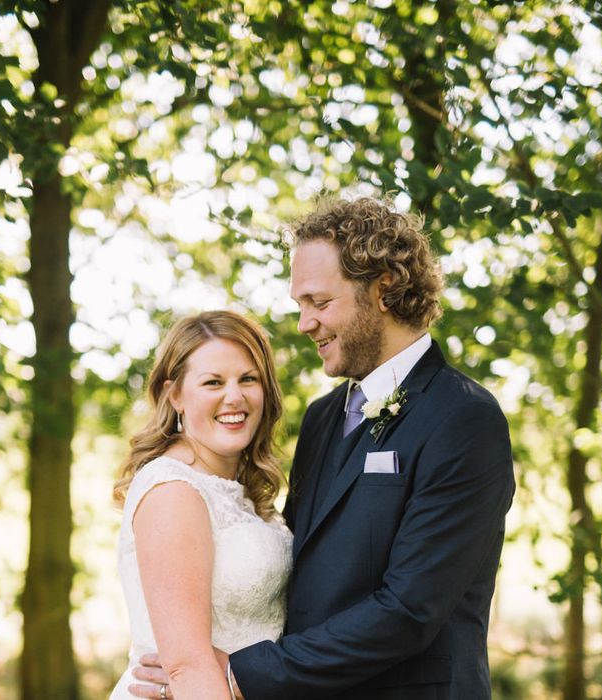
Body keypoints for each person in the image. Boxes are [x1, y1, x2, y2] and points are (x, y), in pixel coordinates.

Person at [130, 195, 515, 699]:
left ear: (384, 289)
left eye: (320, 302)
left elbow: (409, 609)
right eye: (300, 305)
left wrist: (240, 674)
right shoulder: (323, 417)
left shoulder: (464, 418)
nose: (305, 323)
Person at [110, 310, 293, 700]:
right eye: (213, 382)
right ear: (174, 394)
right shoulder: (172, 489)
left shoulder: (242, 490)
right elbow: (186, 665)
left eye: (248, 379)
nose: (235, 397)